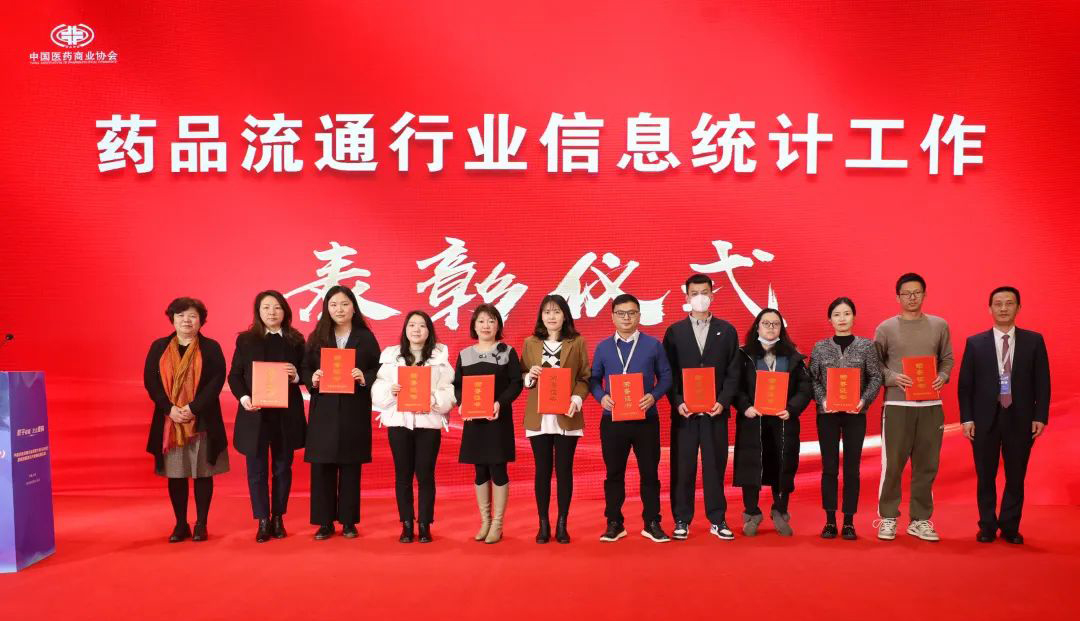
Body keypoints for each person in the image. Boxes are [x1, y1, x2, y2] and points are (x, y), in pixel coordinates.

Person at [958, 286, 1050, 544]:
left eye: (1009, 303)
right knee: (985, 475)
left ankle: (1010, 526)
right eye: (998, 304)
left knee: (1016, 475)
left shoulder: (1034, 341)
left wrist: (1040, 416)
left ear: (1018, 308)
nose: (1003, 308)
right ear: (990, 309)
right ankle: (987, 526)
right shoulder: (975, 343)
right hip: (984, 419)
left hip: (1021, 418)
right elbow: (965, 386)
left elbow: (1043, 382)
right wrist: (967, 419)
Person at [873, 273, 954, 542]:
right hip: (897, 404)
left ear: (924, 295)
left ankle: (920, 520)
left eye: (916, 292)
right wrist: (892, 377)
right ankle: (887, 517)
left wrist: (942, 376)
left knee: (927, 464)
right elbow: (875, 365)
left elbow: (947, 359)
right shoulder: (885, 328)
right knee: (893, 464)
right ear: (897, 297)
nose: (911, 297)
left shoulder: (939, 325)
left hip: (931, 404)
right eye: (906, 293)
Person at [143, 297, 229, 543]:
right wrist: (169, 408)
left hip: (202, 421)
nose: (186, 320)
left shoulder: (211, 347)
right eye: (181, 315)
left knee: (203, 473)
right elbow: (151, 381)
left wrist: (193, 408)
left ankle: (201, 523)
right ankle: (180, 524)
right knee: (177, 474)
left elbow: (216, 381)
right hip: (170, 423)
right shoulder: (159, 347)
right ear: (172, 319)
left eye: (192, 316)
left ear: (201, 320)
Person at [589, 293, 673, 543]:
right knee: (614, 473)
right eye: (621, 313)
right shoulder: (603, 347)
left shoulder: (653, 345)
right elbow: (593, 379)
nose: (626, 318)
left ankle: (652, 522)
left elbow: (666, 376)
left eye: (631, 313)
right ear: (612, 316)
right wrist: (601, 396)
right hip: (612, 419)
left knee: (650, 473)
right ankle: (614, 523)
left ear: (639, 315)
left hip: (646, 419)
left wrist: (654, 396)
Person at [662, 273, 740, 541]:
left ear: (712, 295)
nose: (700, 297)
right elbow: (668, 372)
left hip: (715, 412)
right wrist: (678, 401)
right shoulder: (674, 332)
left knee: (715, 466)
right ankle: (681, 519)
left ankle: (717, 519)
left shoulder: (726, 331)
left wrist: (723, 401)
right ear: (686, 297)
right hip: (685, 414)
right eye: (694, 293)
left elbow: (733, 371)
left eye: (704, 292)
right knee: (682, 466)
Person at [301, 285, 380, 540]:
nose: (339, 309)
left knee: (350, 466)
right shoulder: (317, 337)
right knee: (322, 466)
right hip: (324, 410)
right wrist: (312, 378)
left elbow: (379, 369)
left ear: (353, 307)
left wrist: (364, 376)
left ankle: (348, 521)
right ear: (326, 308)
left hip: (353, 410)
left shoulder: (365, 338)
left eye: (345, 304)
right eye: (334, 304)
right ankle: (324, 522)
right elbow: (304, 368)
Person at [228, 290, 307, 543]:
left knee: (283, 469)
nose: (272, 312)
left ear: (285, 312)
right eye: (266, 308)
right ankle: (262, 519)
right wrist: (244, 398)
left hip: (286, 415)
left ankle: (278, 517)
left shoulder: (296, 340)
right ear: (258, 312)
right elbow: (235, 375)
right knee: (257, 470)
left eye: (277, 307)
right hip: (255, 415)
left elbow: (307, 374)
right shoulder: (246, 340)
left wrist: (296, 375)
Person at [371, 311, 455, 544]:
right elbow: (377, 390)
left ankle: (425, 524)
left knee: (426, 474)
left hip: (428, 424)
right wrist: (391, 391)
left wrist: (433, 398)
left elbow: (450, 391)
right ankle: (406, 524)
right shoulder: (391, 357)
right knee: (403, 474)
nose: (416, 329)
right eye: (412, 325)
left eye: (422, 325)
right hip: (399, 423)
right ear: (405, 330)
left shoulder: (439, 359)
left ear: (429, 331)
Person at [732, 308, 811, 537]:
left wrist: (792, 409)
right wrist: (745, 407)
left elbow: (805, 388)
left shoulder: (793, 356)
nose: (770, 327)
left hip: (783, 421)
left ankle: (780, 510)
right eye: (765, 323)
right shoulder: (744, 355)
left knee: (783, 464)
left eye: (775, 324)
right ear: (757, 327)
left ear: (781, 329)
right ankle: (751, 512)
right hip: (753, 420)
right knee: (750, 466)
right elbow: (734, 385)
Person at [808, 297, 882, 540]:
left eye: (847, 313)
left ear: (854, 317)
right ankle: (830, 520)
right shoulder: (820, 347)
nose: (842, 319)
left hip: (855, 415)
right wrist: (822, 400)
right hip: (827, 415)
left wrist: (864, 400)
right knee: (829, 467)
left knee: (852, 468)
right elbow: (812, 378)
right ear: (830, 319)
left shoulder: (866, 346)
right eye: (837, 314)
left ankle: (849, 521)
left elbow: (876, 377)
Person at [520, 294, 590, 544]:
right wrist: (530, 376)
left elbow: (584, 377)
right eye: (547, 312)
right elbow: (522, 375)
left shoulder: (577, 342)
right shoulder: (530, 343)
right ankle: (543, 523)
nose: (551, 316)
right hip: (539, 416)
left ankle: (562, 523)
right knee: (542, 470)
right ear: (541, 316)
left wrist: (576, 399)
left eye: (557, 311)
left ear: (565, 316)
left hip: (567, 415)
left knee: (564, 470)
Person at [453, 304, 523, 544]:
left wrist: (500, 403)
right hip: (474, 421)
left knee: (498, 469)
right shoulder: (465, 354)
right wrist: (461, 403)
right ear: (474, 326)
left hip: (497, 420)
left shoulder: (507, 352)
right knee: (480, 470)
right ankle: (485, 521)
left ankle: (497, 524)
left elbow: (516, 383)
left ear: (498, 326)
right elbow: (458, 385)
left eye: (491, 321)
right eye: (481, 321)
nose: (486, 325)